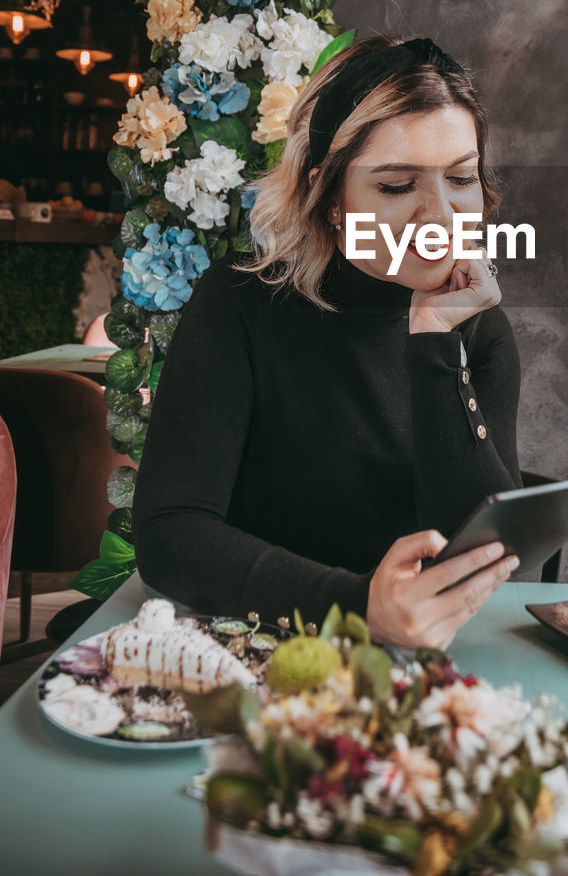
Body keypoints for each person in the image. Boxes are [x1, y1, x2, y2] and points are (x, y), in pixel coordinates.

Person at [132, 34, 523, 649]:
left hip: (423, 660)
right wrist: (358, 608)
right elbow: (169, 531)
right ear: (329, 194)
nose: (443, 216)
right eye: (397, 186)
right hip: (254, 645)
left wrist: (435, 345)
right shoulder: (240, 303)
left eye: (461, 179)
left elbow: (478, 552)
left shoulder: (477, 327)